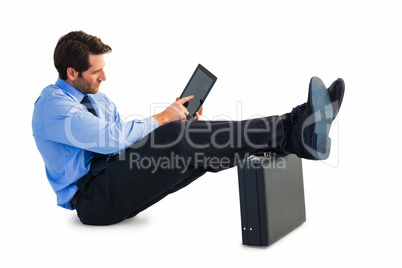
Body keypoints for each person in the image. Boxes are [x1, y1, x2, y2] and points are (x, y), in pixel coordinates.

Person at [32, 31, 345, 226]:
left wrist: (181, 124)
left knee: (192, 148)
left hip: (117, 181)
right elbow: (112, 140)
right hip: (93, 201)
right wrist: (165, 121)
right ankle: (292, 127)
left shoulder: (100, 101)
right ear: (72, 72)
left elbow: (126, 146)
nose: (104, 78)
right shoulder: (54, 106)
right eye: (96, 72)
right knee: (172, 135)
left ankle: (293, 136)